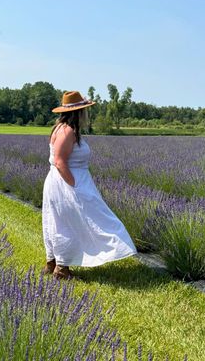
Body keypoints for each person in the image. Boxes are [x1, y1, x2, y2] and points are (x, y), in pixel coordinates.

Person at [42, 90, 137, 280]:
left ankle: (55, 263)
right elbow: (60, 161)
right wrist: (75, 187)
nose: (87, 114)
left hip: (61, 182)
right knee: (84, 221)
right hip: (67, 183)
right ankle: (61, 268)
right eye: (85, 110)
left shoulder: (62, 128)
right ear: (78, 112)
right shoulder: (67, 131)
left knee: (59, 221)